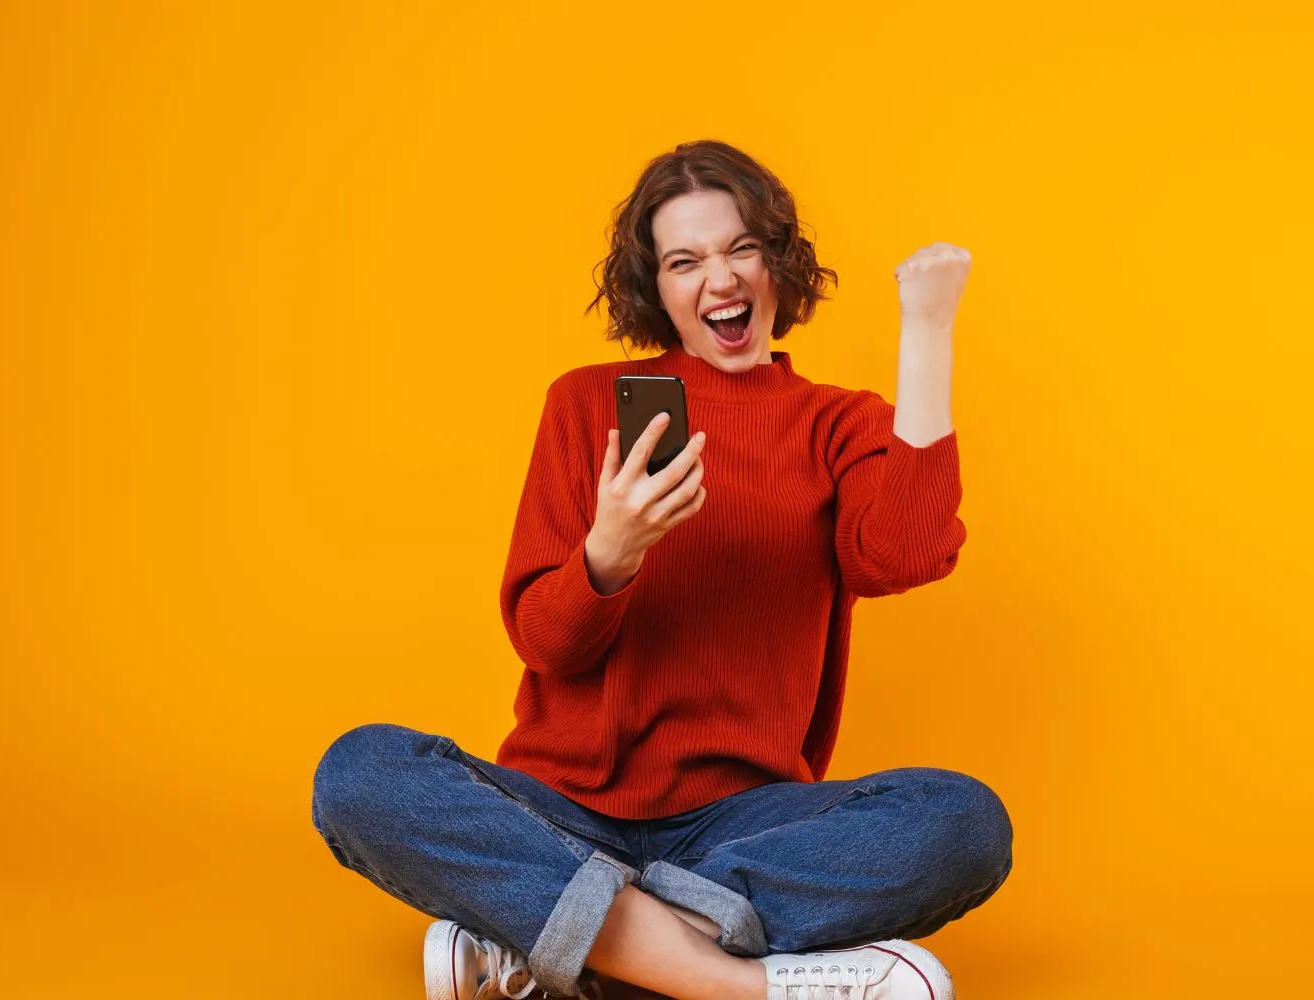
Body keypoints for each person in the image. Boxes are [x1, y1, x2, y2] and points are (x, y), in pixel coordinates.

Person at [311, 140, 1012, 1000]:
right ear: (659, 287)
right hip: (561, 810)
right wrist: (608, 555)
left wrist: (928, 330)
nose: (718, 279)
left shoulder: (838, 425)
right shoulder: (585, 404)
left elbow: (901, 554)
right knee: (360, 772)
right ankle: (732, 985)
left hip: (742, 828)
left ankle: (550, 945)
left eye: (740, 249)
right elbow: (545, 644)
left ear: (776, 263)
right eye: (685, 261)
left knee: (964, 822)